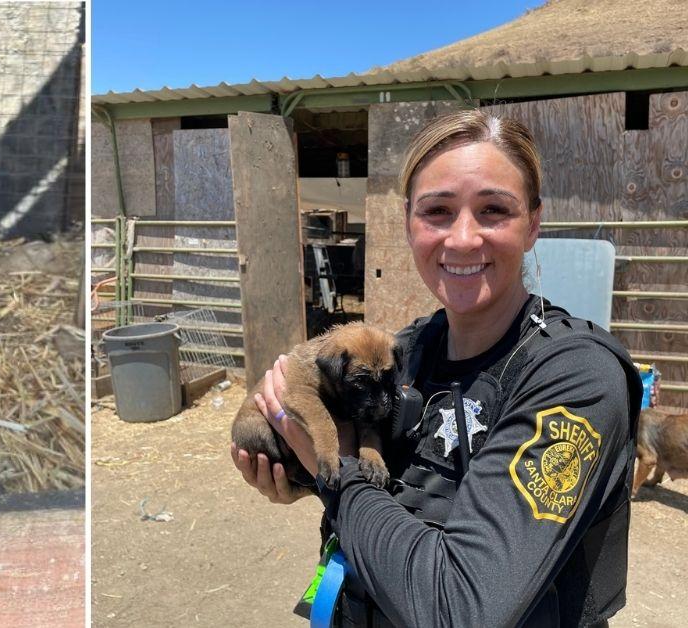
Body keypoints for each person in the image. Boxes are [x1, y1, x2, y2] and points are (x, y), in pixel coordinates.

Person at [231, 110, 642, 627]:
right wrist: (296, 474)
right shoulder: (405, 353)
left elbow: (461, 610)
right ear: (408, 224)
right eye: (438, 211)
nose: (463, 238)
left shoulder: (574, 377)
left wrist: (336, 476)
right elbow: (393, 495)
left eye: (494, 209)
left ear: (533, 223)